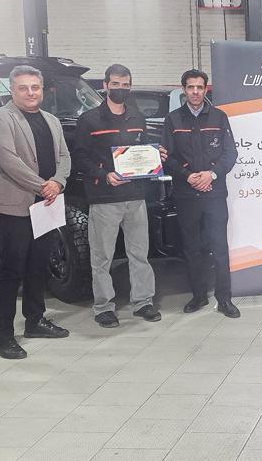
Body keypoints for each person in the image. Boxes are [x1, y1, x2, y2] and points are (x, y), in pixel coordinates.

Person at [0, 65, 71, 360]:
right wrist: (42, 185)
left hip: (46, 204)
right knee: (12, 270)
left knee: (38, 264)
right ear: (12, 90)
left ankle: (35, 321)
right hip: (16, 206)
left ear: (42, 89)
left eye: (35, 87)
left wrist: (58, 182)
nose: (30, 93)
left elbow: (64, 156)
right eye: (23, 88)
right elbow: (8, 160)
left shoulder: (51, 120)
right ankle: (3, 336)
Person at [73, 64, 164, 328]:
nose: (120, 89)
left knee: (140, 254)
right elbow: (80, 156)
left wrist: (156, 156)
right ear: (105, 86)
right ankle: (103, 307)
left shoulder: (137, 118)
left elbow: (142, 150)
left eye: (125, 85)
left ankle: (143, 302)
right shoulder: (89, 120)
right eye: (115, 84)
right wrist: (104, 175)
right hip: (104, 197)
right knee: (102, 257)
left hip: (135, 197)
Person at [162, 69, 240, 318]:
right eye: (190, 87)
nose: (195, 92)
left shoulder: (219, 117)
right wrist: (188, 176)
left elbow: (231, 154)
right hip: (186, 195)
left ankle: (224, 299)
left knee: (219, 247)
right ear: (183, 89)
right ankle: (198, 296)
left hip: (214, 194)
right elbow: (167, 157)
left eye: (199, 87)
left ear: (206, 89)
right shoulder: (173, 120)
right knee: (192, 248)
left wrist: (211, 175)